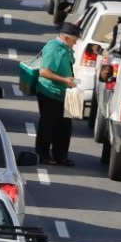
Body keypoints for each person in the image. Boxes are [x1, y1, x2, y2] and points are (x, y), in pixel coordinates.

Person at [34, 20, 79, 166]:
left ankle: (61, 157)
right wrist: (64, 80)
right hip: (50, 93)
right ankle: (43, 155)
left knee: (65, 127)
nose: (76, 43)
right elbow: (44, 72)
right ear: (66, 38)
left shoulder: (65, 48)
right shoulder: (54, 48)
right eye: (74, 40)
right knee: (48, 125)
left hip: (65, 94)